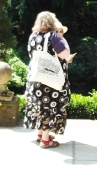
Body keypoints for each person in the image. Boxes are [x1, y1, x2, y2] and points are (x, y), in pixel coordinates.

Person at [24, 11, 71, 148]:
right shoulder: (53, 37)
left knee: (39, 105)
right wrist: (63, 40)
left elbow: (30, 54)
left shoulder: (33, 36)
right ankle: (45, 140)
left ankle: (40, 134)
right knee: (49, 107)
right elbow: (65, 55)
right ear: (52, 22)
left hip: (35, 77)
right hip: (50, 79)